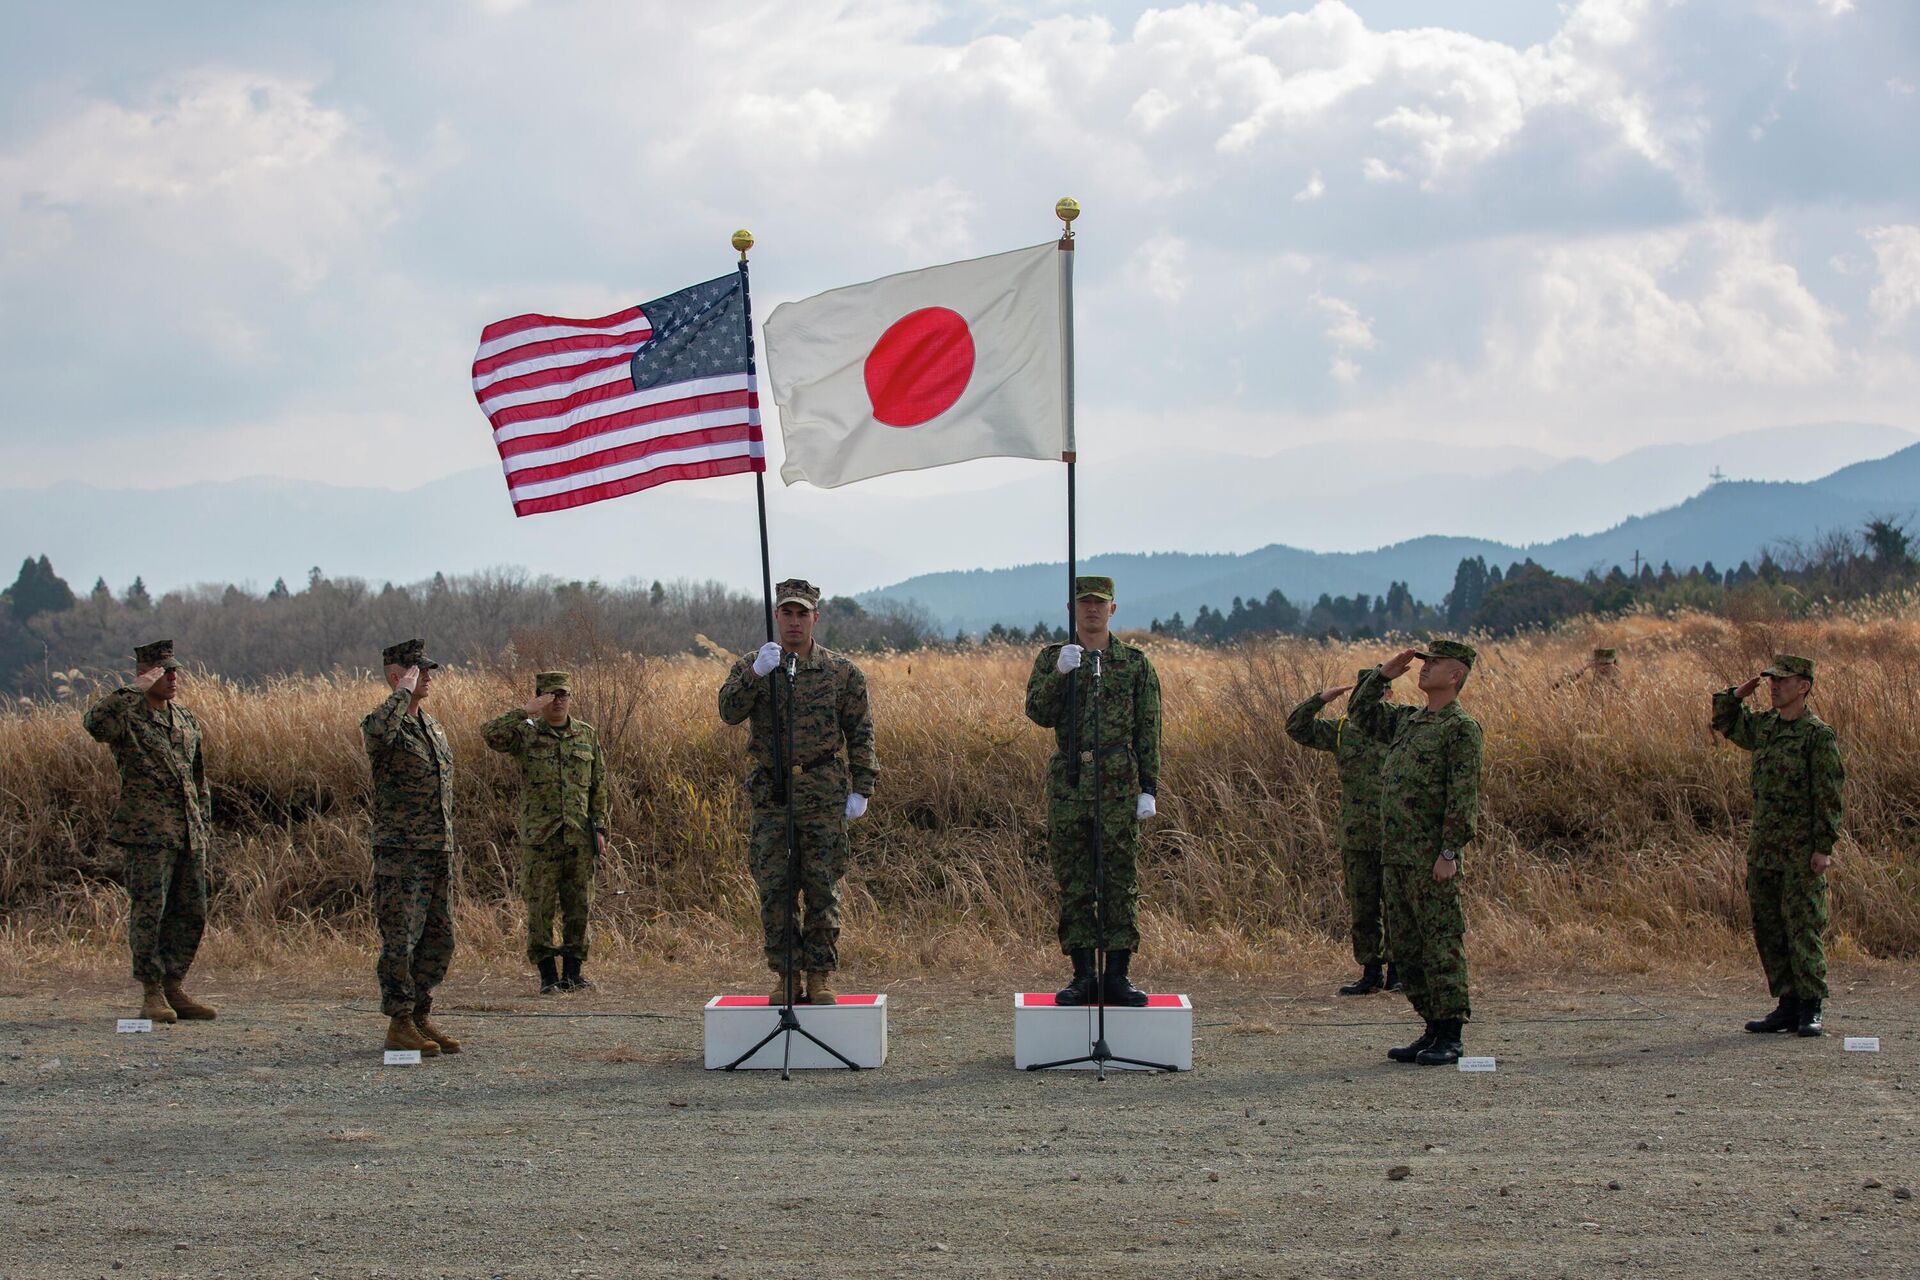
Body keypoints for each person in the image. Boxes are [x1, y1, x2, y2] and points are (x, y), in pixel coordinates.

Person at [718, 580, 878, 1005]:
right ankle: (786, 974)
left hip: (822, 789)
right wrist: (755, 676)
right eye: (787, 613)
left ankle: (820, 974)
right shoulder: (757, 665)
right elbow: (728, 712)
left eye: (802, 613)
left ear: (815, 618)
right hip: (773, 791)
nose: (794, 621)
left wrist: (863, 787)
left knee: (823, 885)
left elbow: (860, 731)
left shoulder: (842, 671)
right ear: (777, 616)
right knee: (775, 886)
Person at [1024, 576, 1163, 1008]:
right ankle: (1083, 975)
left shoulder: (1134, 663)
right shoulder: (1055, 658)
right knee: (1075, 880)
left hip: (1118, 780)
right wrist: (1060, 675)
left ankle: (1118, 975)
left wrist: (1148, 787)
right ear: (1072, 608)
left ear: (1112, 610)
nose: (1091, 610)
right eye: (1084, 603)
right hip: (1070, 780)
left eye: (1099, 604)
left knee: (1120, 879)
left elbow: (1149, 729)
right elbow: (1038, 713)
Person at [1347, 640, 1484, 1066]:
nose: (1424, 670)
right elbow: (1361, 713)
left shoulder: (1460, 729)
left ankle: (1451, 1034)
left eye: (1435, 664)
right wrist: (1382, 676)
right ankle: (1430, 1026)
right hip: (1397, 856)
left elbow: (1462, 798)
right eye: (1424, 664)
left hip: (1430, 858)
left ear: (1455, 675)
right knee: (1406, 948)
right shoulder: (1409, 722)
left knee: (1441, 943)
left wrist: (1449, 851)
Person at [82, 640, 217, 1024]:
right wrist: (134, 689)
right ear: (146, 672)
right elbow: (94, 724)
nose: (173, 678)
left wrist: (203, 825)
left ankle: (174, 985)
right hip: (147, 833)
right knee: (150, 912)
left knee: (191, 911)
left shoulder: (186, 719)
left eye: (175, 670)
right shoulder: (127, 715)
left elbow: (198, 778)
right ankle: (152, 991)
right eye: (164, 671)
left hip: (187, 831)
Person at [1711, 655, 1844, 1038]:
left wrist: (1823, 847)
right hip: (1766, 847)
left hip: (1801, 851)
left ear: (1803, 686)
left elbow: (1829, 796)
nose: (1774, 686)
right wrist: (1737, 694)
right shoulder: (1766, 727)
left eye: (1782, 681)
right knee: (1768, 927)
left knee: (1803, 926)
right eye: (1771, 680)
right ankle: (1786, 1004)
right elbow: (1725, 722)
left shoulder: (1818, 736)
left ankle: (1810, 1006)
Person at [360, 639, 460, 1057]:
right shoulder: (383, 724)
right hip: (401, 853)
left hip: (436, 849)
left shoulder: (431, 726)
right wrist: (401, 693)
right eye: (419, 670)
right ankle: (398, 1022)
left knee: (439, 939)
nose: (428, 677)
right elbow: (377, 731)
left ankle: (420, 1015)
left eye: (428, 670)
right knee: (401, 939)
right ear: (396, 673)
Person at [483, 671, 609, 994]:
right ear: (540, 698)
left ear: (571, 697)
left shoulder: (586, 735)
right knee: (541, 909)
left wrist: (601, 828)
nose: (558, 701)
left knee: (579, 906)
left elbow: (599, 786)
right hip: (541, 840)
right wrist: (524, 711)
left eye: (563, 694)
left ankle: (573, 974)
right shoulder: (526, 735)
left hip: (578, 838)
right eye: (550, 696)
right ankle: (547, 977)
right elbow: (489, 734)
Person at [1286, 670, 1396, 995]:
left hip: (1398, 835)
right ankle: (1371, 971)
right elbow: (1296, 727)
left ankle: (1400, 971)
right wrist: (1321, 699)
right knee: (1363, 908)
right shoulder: (1343, 732)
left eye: (1379, 693)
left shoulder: (1403, 729)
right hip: (1357, 835)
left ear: (1389, 695)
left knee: (1398, 908)